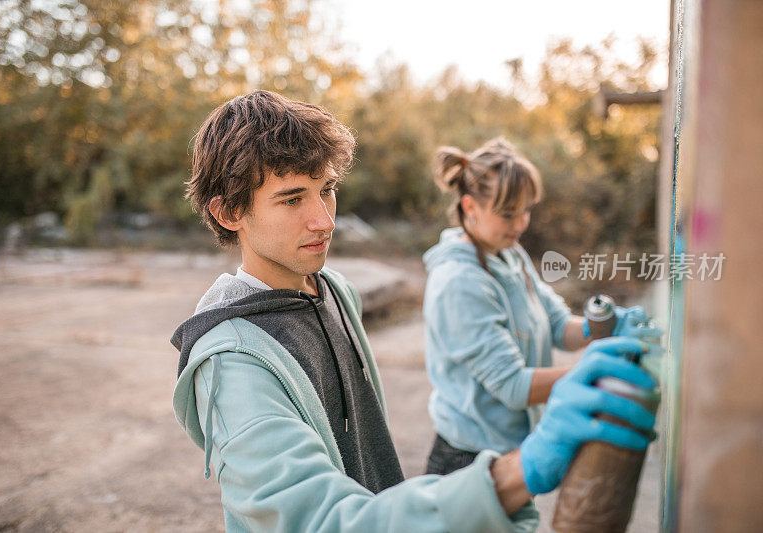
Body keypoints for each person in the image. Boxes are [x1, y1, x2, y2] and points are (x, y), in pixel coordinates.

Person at [170, 91, 659, 531]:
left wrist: (601, 328)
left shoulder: (334, 291)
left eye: (327, 189)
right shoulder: (231, 365)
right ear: (229, 213)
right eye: (292, 198)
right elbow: (320, 520)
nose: (324, 219)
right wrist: (519, 469)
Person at [422, 138, 660, 476]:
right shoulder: (459, 282)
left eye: (525, 210)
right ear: (470, 207)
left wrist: (605, 325)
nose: (520, 224)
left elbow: (559, 327)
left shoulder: (508, 254)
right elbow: (514, 387)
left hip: (512, 447)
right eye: (508, 214)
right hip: (468, 461)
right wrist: (592, 370)